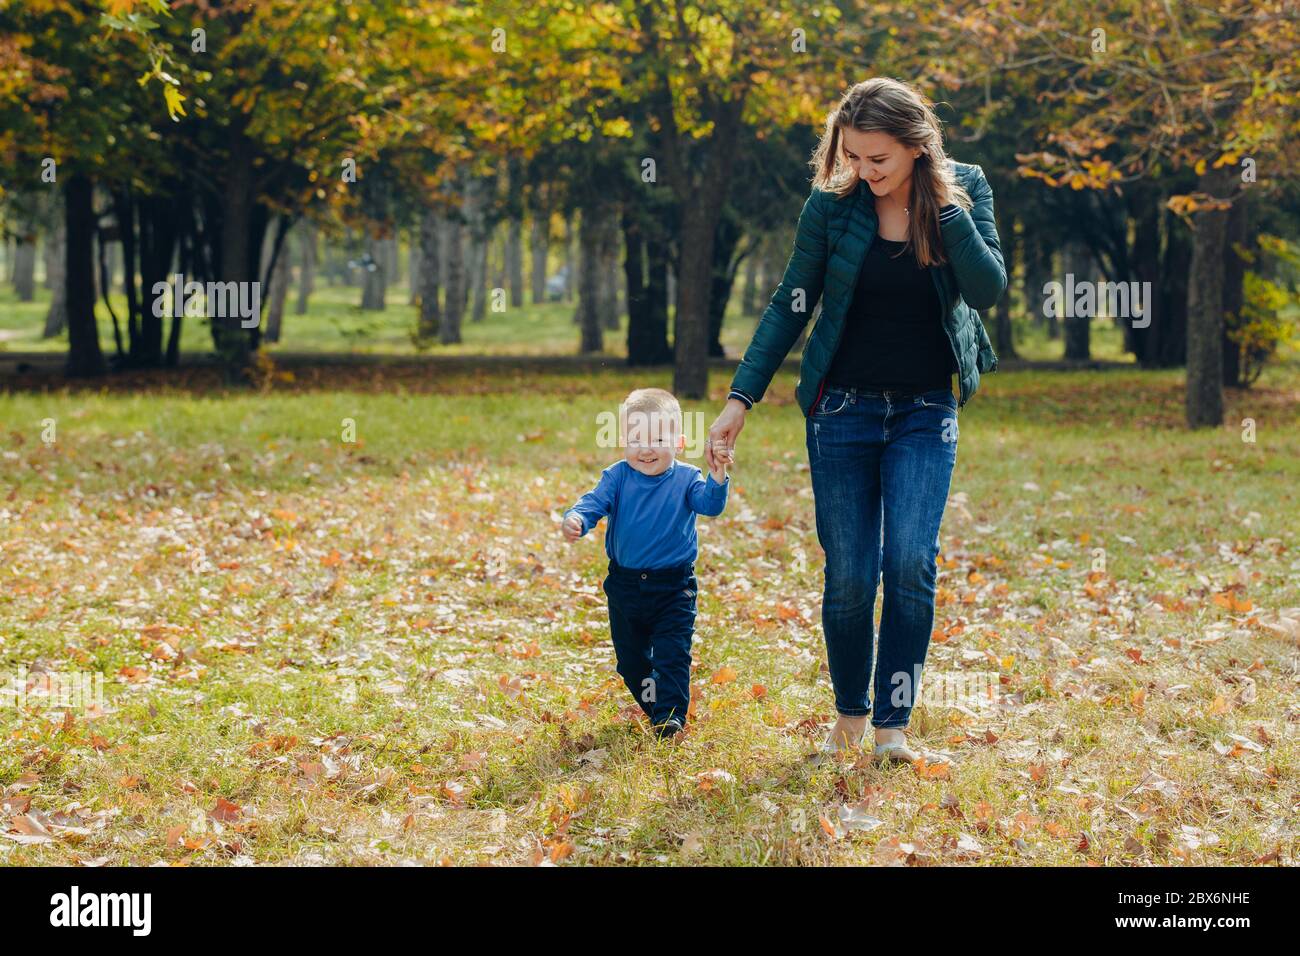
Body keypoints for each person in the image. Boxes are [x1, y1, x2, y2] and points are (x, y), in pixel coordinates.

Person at [706, 77, 1005, 764]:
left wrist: (948, 210)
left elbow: (987, 290)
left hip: (925, 409)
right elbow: (790, 303)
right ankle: (849, 716)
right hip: (841, 409)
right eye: (853, 158)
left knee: (908, 562)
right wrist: (738, 400)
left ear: (917, 146)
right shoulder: (832, 205)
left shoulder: (967, 189)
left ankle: (892, 728)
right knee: (849, 574)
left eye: (880, 161)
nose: (865, 174)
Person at [563, 387, 731, 738]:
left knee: (671, 654)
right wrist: (577, 518)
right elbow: (592, 503)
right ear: (624, 441)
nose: (647, 448)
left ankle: (669, 718)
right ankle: (655, 706)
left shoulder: (687, 479)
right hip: (625, 587)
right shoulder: (617, 477)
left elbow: (710, 505)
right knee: (632, 663)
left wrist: (717, 478)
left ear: (679, 442)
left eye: (658, 438)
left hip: (673, 587)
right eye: (636, 439)